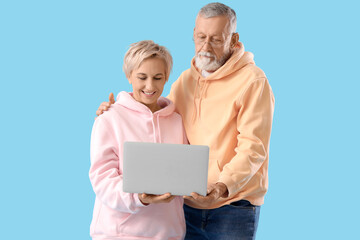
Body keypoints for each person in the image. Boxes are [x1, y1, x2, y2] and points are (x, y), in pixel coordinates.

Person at [96, 2, 275, 240]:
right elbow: (156, 111)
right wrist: (116, 108)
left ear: (233, 39)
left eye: (216, 39)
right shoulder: (186, 79)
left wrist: (221, 187)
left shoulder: (253, 82)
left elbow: (253, 148)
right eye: (201, 37)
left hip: (232, 206)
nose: (206, 47)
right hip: (187, 206)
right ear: (193, 33)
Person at [89, 40, 187, 240]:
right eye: (142, 77)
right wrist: (138, 198)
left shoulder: (177, 121)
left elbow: (183, 172)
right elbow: (102, 178)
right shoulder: (110, 118)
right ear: (129, 76)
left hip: (169, 234)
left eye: (158, 77)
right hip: (120, 234)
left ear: (167, 77)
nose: (150, 86)